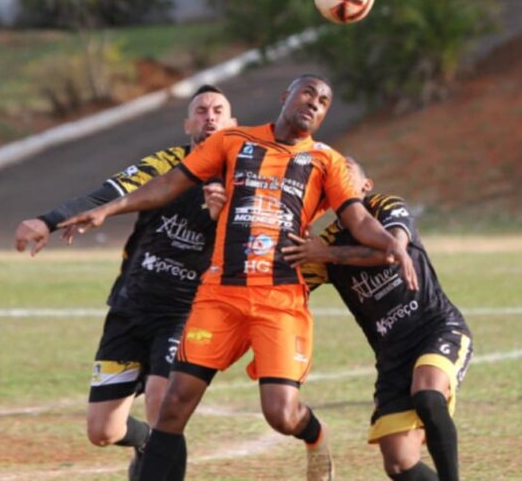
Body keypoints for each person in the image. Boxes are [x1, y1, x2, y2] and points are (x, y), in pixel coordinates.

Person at [58, 74, 418, 481]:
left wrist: (393, 243)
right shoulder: (233, 142)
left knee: (280, 413)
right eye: (307, 92)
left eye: (323, 101)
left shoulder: (326, 161)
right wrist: (110, 209)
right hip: (219, 296)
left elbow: (358, 217)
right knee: (173, 406)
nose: (314, 103)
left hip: (279, 298)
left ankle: (316, 437)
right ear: (285, 96)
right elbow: (170, 184)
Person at [13, 84, 236, 478]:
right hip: (130, 306)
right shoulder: (166, 163)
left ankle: (159, 457)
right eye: (200, 110)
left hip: (185, 313)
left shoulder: (242, 180)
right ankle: (147, 444)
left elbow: (252, 244)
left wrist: (224, 219)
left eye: (218, 110)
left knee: (162, 401)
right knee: (103, 430)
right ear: (187, 124)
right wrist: (46, 221)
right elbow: (109, 192)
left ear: (233, 124)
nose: (209, 116)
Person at [281, 156, 472, 481]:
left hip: (436, 328)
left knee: (427, 395)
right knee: (399, 463)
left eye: (347, 173)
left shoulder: (385, 205)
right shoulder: (323, 242)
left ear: (365, 186)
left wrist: (325, 255)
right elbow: (288, 285)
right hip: (392, 356)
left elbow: (392, 249)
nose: (338, 178)